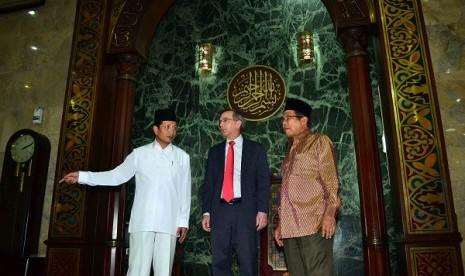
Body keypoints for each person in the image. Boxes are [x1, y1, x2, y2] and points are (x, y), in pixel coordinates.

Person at [60, 108, 191, 276]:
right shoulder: (139, 154)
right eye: (167, 127)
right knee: (137, 271)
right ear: (155, 129)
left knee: (164, 271)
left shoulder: (182, 157)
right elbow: (115, 176)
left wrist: (183, 221)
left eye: (174, 127)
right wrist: (82, 176)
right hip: (143, 221)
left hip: (169, 223)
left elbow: (185, 190)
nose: (171, 131)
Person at [274, 98, 341, 276]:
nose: (284, 122)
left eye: (288, 118)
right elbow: (286, 191)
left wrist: (329, 214)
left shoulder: (319, 141)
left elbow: (331, 181)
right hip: (290, 227)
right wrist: (281, 224)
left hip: (314, 222)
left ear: (304, 121)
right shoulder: (290, 150)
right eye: (283, 119)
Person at [201, 108, 270, 276]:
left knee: (248, 261)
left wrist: (262, 210)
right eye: (220, 121)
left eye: (225, 120)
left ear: (238, 123)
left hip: (245, 211)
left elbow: (263, 182)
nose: (221, 124)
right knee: (219, 262)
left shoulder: (256, 150)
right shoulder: (215, 151)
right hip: (220, 211)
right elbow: (208, 184)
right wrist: (206, 212)